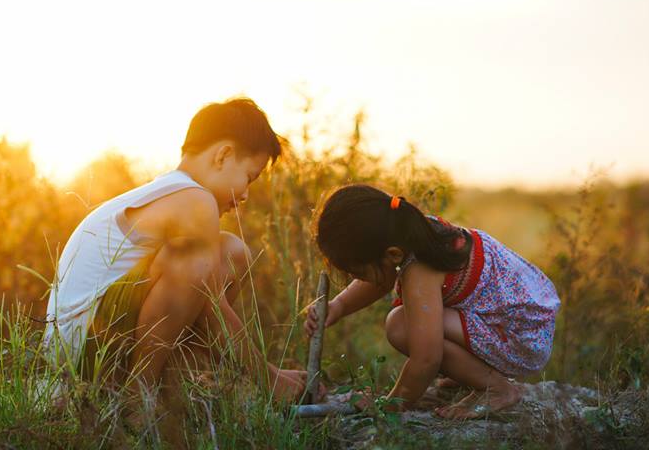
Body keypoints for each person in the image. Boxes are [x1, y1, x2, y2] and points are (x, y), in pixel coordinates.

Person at [45, 97, 306, 402]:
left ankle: (171, 389)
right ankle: (138, 400)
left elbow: (200, 303)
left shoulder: (170, 192)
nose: (246, 194)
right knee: (201, 262)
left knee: (231, 253)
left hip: (90, 344)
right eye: (250, 177)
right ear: (223, 155)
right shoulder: (194, 200)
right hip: (86, 350)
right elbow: (209, 304)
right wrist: (268, 378)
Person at [305, 184, 560, 418]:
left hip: (521, 339)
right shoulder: (414, 233)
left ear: (392, 254)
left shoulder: (421, 269)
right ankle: (471, 375)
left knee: (401, 327)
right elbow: (378, 277)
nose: (354, 278)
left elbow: (426, 359)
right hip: (520, 325)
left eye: (357, 272)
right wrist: (338, 306)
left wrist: (389, 406)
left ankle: (497, 389)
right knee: (417, 321)